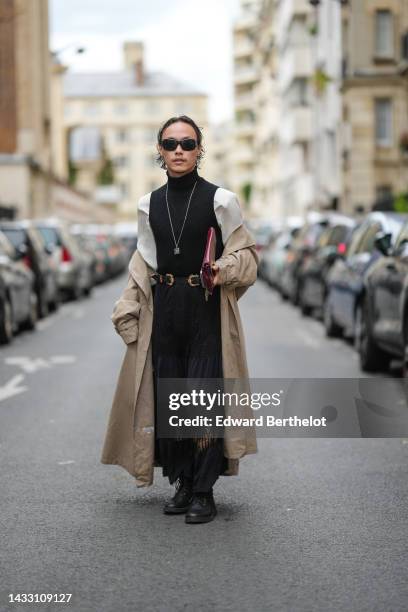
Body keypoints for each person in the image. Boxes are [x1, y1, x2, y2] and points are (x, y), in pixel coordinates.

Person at [101, 115, 258, 525]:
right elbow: (144, 262)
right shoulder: (147, 204)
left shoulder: (221, 200)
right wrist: (129, 307)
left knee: (202, 399)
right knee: (171, 399)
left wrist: (221, 269)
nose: (179, 151)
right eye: (170, 144)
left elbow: (248, 256)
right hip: (164, 305)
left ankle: (204, 491)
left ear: (200, 149)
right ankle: (183, 481)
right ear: (159, 151)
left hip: (205, 304)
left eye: (187, 144)